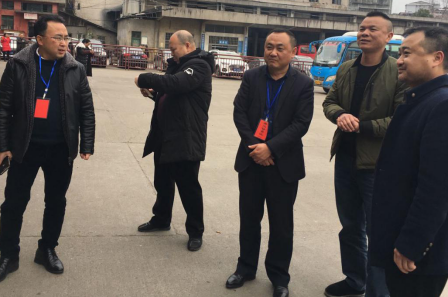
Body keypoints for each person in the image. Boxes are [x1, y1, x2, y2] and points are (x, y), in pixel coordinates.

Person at [0, 14, 95, 285]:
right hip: (25, 147)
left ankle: (47, 249)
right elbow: (2, 108)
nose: (64, 43)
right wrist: (1, 147)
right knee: (14, 203)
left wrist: (86, 143)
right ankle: (8, 255)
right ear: (40, 40)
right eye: (57, 37)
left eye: (66, 37)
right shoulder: (18, 65)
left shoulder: (75, 68)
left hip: (61, 148)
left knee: (56, 202)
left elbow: (86, 109)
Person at [371, 27, 448, 297]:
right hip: (402, 238)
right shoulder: (422, 100)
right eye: (399, 53)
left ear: (437, 58)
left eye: (407, 53)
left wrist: (412, 244)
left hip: (419, 254)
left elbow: (437, 189)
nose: (399, 60)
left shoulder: (445, 106)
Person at [322, 11, 407, 297]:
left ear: (389, 36)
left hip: (378, 165)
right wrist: (340, 115)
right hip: (345, 159)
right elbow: (329, 102)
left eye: (373, 29)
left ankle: (378, 290)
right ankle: (355, 279)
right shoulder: (347, 68)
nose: (365, 33)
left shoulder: (397, 71)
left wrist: (363, 126)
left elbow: (402, 118)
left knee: (379, 230)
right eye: (362, 28)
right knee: (350, 226)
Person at [226, 30, 314, 297]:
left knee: (281, 225)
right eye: (268, 47)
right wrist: (255, 147)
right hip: (251, 160)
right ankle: (245, 268)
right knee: (249, 219)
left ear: (293, 52)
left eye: (279, 48)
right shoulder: (252, 77)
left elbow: (301, 123)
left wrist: (270, 148)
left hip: (284, 165)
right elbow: (239, 112)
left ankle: (279, 277)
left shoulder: (303, 83)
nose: (273, 52)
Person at [134, 30, 214, 252]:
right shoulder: (178, 64)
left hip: (185, 136)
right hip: (165, 135)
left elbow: (175, 84)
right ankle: (161, 219)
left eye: (173, 48)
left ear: (188, 45)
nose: (171, 53)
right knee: (162, 182)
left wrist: (143, 78)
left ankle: (195, 231)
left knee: (188, 187)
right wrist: (154, 94)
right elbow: (171, 94)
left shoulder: (199, 65)